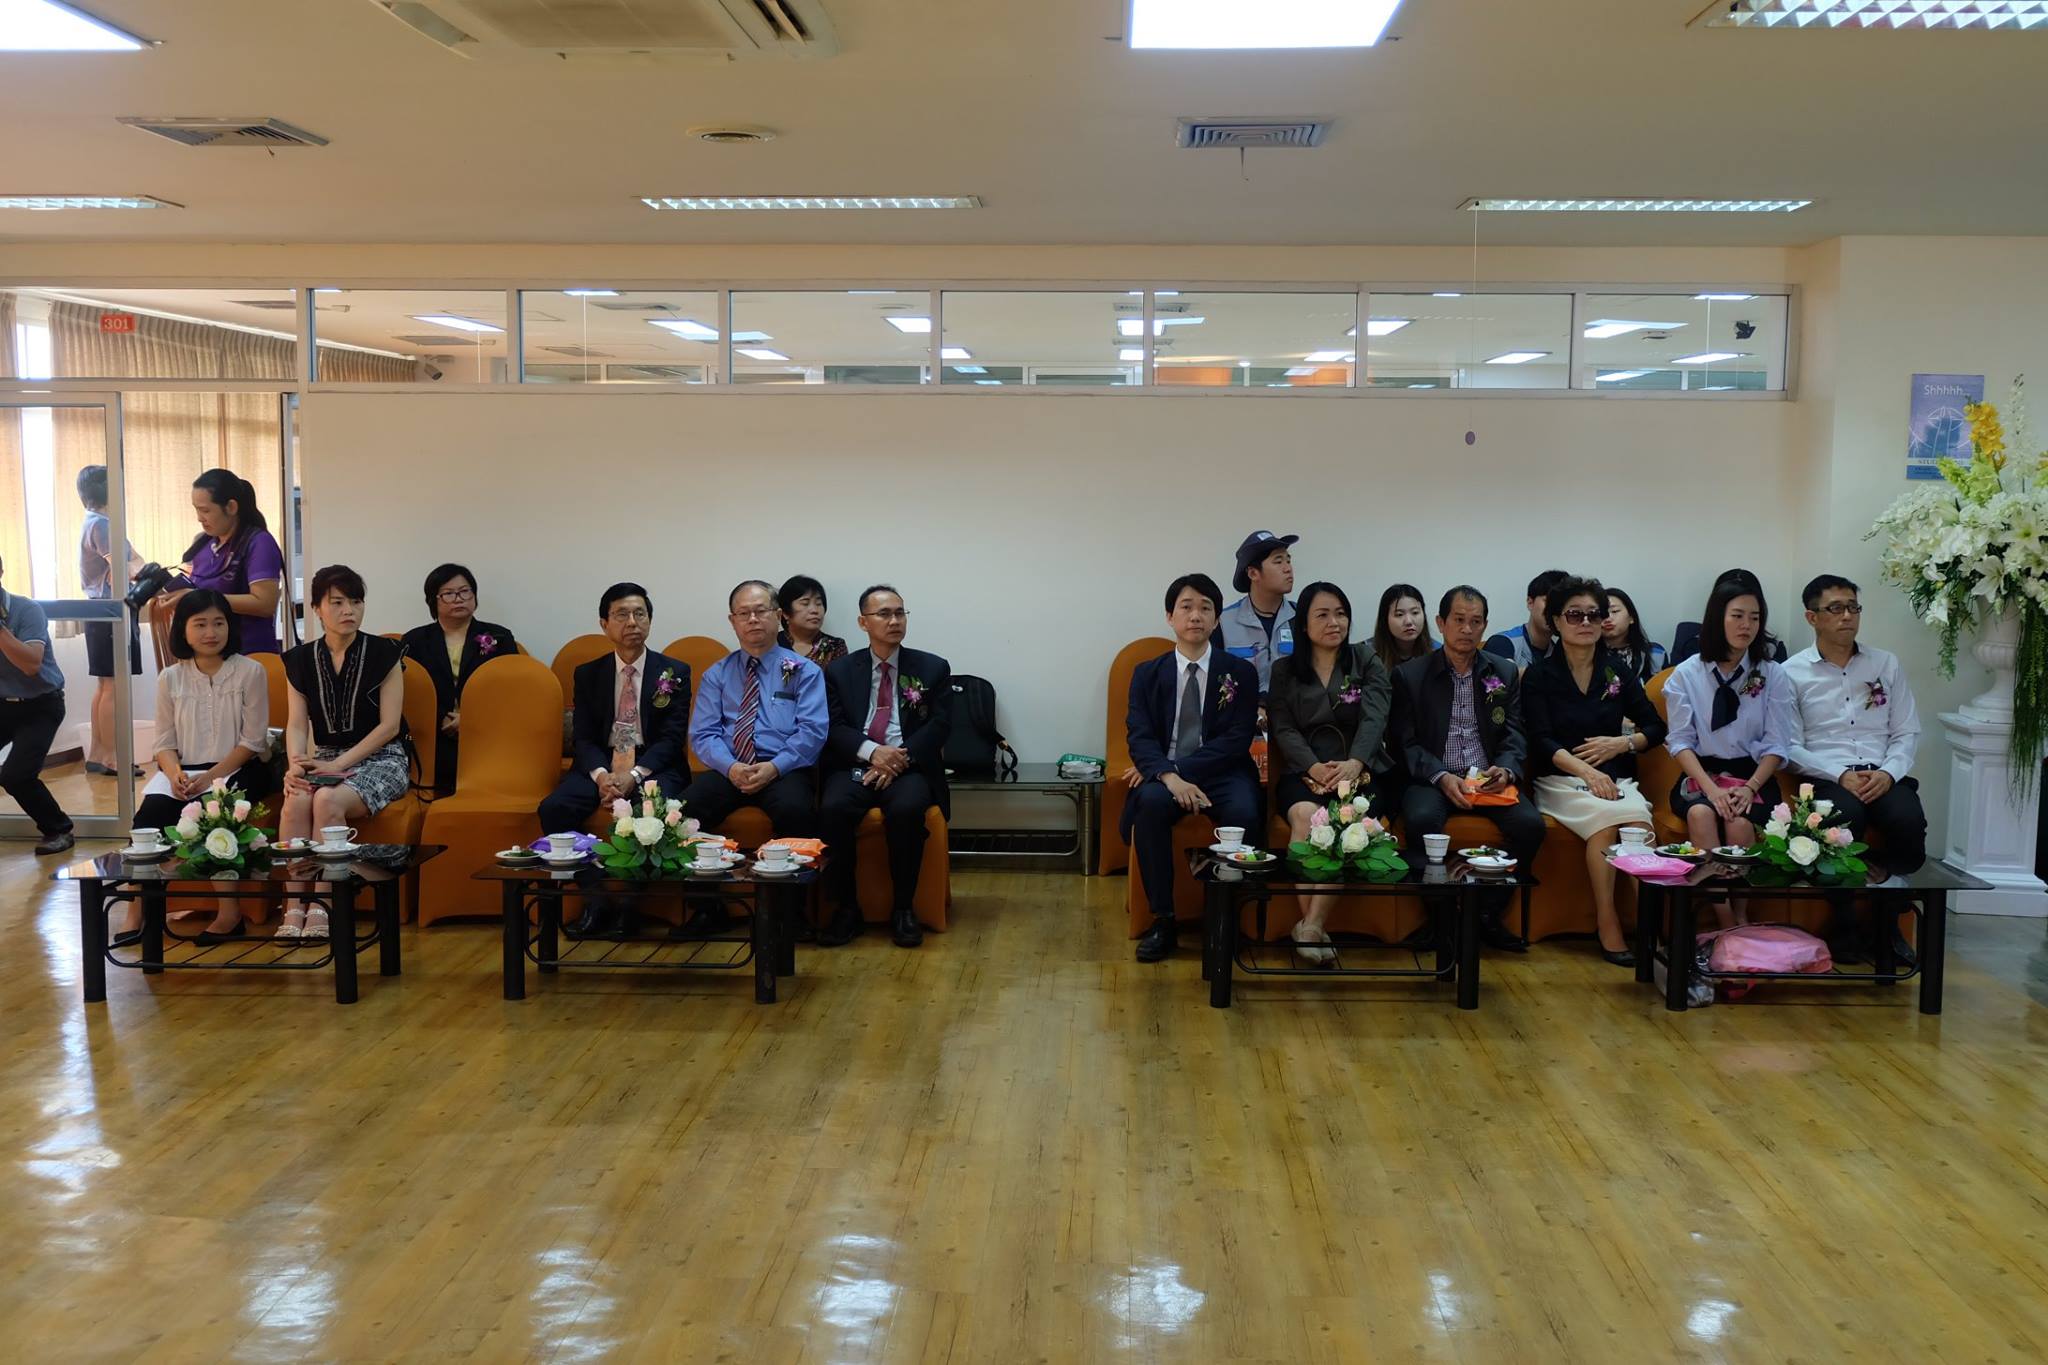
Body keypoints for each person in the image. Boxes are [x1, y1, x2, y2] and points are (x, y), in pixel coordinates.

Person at [1389, 585, 1544, 952]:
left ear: (1485, 626)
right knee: (1421, 819)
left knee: (1530, 826)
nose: (1467, 629)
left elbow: (1514, 732)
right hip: (1434, 777)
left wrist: (1505, 769)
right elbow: (1403, 743)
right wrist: (1442, 776)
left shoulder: (1503, 671)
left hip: (1487, 778)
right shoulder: (1410, 675)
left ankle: (1485, 915)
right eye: (1459, 620)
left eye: (1476, 622)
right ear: (1441, 623)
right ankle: (1439, 919)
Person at [1523, 576, 1669, 965]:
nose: (1586, 622)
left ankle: (1651, 934)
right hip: (1559, 779)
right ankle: (1608, 923)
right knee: (1608, 824)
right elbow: (1540, 739)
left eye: (1594, 614)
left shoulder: (1616, 672)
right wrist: (1587, 772)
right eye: (1575, 615)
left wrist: (1622, 744)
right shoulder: (1539, 675)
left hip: (1615, 778)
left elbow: (1655, 728)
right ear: (1556, 621)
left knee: (1637, 826)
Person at [115, 590, 272, 946]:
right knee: (149, 819)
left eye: (218, 623)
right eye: (200, 624)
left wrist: (210, 778)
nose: (210, 632)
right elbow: (163, 742)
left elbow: (252, 741)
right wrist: (175, 774)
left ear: (230, 626)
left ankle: (230, 915)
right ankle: (137, 911)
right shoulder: (170, 678)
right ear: (183, 630)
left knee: (214, 814)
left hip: (239, 767)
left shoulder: (251, 671)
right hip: (183, 772)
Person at [536, 582, 691, 938]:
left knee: (651, 812)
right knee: (554, 809)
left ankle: (630, 906)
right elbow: (584, 737)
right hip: (601, 764)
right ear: (604, 624)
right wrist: (603, 776)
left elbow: (671, 739)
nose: (632, 622)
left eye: (640, 614)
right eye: (622, 615)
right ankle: (596, 898)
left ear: (650, 621)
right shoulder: (588, 673)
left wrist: (634, 775)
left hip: (653, 764)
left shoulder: (674, 672)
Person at [1123, 573, 1261, 964]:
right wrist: (1169, 777)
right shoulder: (1147, 673)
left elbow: (1236, 739)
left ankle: (1228, 919)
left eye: (1205, 608)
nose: (1195, 616)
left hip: (1223, 771)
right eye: (1186, 607)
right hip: (1167, 777)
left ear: (1217, 619)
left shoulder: (1240, 672)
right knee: (1150, 804)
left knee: (1245, 810)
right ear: (1170, 616)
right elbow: (1139, 736)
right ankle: (1163, 920)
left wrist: (1175, 769)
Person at [277, 566, 410, 941]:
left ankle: (324, 903)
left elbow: (389, 727)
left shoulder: (385, 653)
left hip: (383, 758)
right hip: (325, 757)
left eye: (356, 601)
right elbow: (297, 725)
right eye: (336, 602)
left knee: (326, 800)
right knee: (296, 800)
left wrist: (337, 765)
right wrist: (295, 765)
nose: (349, 610)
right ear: (316, 608)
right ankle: (294, 905)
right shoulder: (299, 660)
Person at [818, 585, 952, 949]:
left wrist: (898, 758)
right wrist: (873, 752)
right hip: (857, 763)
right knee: (833, 809)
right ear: (863, 622)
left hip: (909, 766)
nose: (894, 621)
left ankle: (904, 908)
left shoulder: (932, 667)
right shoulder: (840, 671)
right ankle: (846, 908)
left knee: (907, 809)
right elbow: (833, 726)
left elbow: (940, 725)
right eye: (884, 614)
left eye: (899, 613)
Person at [1268, 582, 1392, 964]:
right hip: (1304, 769)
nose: (1334, 622)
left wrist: (1355, 762)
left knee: (1342, 821)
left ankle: (1309, 926)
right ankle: (1312, 927)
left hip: (1360, 771)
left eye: (1340, 614)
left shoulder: (1365, 660)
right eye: (1322, 615)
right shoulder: (1284, 670)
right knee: (1306, 816)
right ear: (1304, 625)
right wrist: (1313, 766)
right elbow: (1282, 726)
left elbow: (1374, 717)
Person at [1664, 576, 1793, 927]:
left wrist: (1750, 787)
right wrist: (1712, 791)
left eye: (1754, 617)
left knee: (1738, 823)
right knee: (1701, 815)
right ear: (1717, 618)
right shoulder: (1685, 675)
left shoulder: (1772, 674)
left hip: (1752, 776)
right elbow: (1680, 742)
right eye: (1737, 616)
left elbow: (1777, 743)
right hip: (1701, 775)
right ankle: (1727, 923)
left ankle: (1740, 916)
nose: (1746, 625)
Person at [1784, 574, 1927, 876]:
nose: (1847, 616)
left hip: (1882, 773)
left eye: (1853, 607)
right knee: (1844, 818)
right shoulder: (1790, 673)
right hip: (1829, 776)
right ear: (1812, 617)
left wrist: (1889, 773)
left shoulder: (1885, 663)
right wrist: (1839, 775)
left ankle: (1889, 895)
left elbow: (1906, 730)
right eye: (1836, 608)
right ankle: (1846, 905)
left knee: (1907, 820)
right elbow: (1789, 746)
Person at [684, 579, 829, 866]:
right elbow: (703, 734)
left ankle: (783, 895)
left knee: (796, 813)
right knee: (683, 814)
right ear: (733, 621)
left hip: (784, 769)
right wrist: (731, 767)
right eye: (744, 613)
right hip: (730, 769)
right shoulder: (717, 674)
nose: (752, 619)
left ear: (778, 616)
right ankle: (706, 893)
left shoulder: (805, 671)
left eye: (761, 611)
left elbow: (812, 731)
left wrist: (774, 767)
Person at [399, 563, 520, 795]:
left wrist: (471, 718)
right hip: (434, 732)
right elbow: (408, 693)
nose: (459, 599)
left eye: (465, 591)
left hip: (487, 730)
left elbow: (511, 690)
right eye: (448, 594)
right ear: (433, 600)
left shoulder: (499, 637)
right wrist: (441, 719)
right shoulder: (414, 641)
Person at [0, 554, 76, 855]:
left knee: (15, 775)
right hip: (3, 703)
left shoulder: (26, 609)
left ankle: (59, 829)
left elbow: (31, 664)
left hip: (41, 705)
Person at [172, 468, 286, 655]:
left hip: (249, 654)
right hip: (209, 656)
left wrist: (202, 599)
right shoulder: (204, 544)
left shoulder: (259, 543)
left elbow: (265, 603)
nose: (199, 518)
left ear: (231, 507)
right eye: (196, 509)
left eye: (205, 510)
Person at [76, 464, 142, 776]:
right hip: (110, 612)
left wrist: (135, 563)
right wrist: (137, 566)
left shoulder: (93, 522)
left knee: (105, 685)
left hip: (99, 611)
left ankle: (98, 754)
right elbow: (124, 569)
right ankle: (113, 758)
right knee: (113, 686)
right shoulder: (102, 525)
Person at [1218, 530, 1298, 695]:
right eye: (1278, 561)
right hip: (1244, 709)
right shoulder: (1224, 622)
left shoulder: (1303, 617)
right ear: (1253, 573)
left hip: (1293, 710)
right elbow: (1215, 680)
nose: (1288, 568)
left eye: (1288, 560)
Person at [1484, 568, 1568, 673]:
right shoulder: (1502, 643)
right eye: (1549, 601)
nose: (1554, 609)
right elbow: (1498, 682)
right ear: (1530, 603)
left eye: (1561, 604)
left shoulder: (1560, 648)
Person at [776, 574, 848, 666]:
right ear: (785, 613)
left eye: (818, 603)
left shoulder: (834, 646)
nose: (814, 610)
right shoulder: (772, 643)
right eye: (805, 604)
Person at [1601, 586, 1666, 684]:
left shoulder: (1656, 654)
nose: (1608, 618)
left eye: (1614, 611)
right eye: (1601, 613)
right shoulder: (1586, 657)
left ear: (1631, 617)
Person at [1372, 582, 1435, 676]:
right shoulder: (1367, 655)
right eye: (1399, 614)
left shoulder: (1437, 652)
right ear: (1385, 619)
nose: (1408, 621)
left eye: (1415, 613)